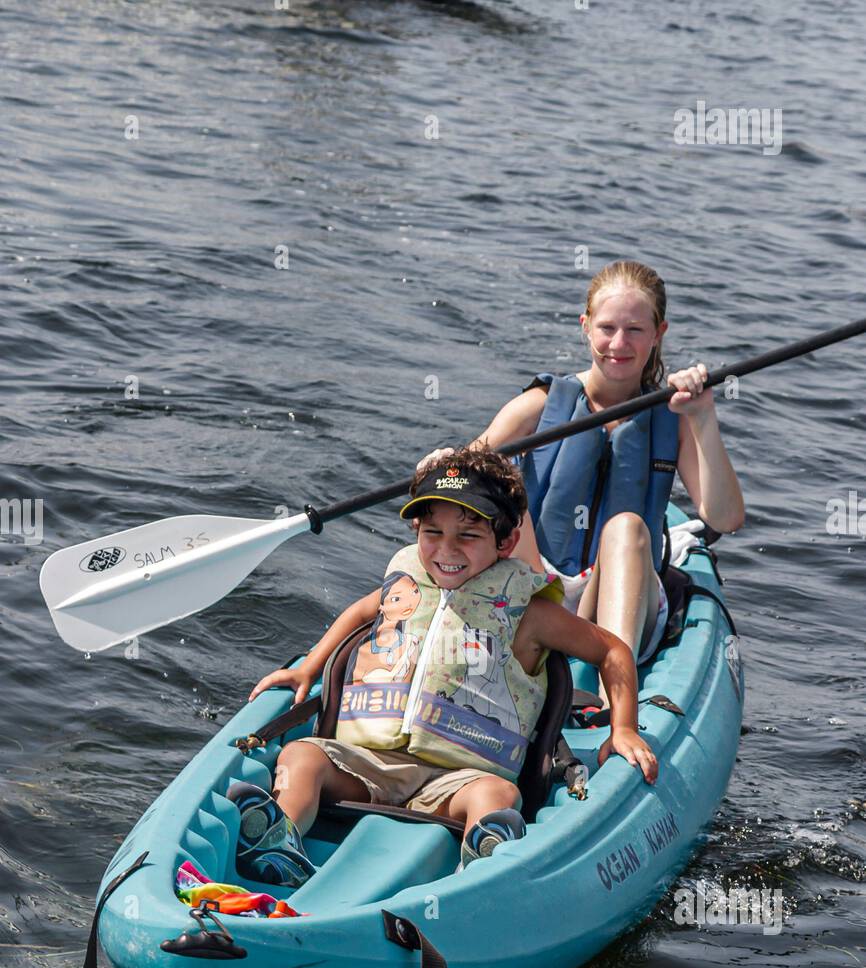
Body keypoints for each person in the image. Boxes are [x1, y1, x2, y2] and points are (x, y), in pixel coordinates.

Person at [242, 446, 658, 884]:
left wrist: (624, 728)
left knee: (498, 794)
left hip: (458, 779)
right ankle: (276, 838)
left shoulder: (529, 612)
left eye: (468, 536)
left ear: (507, 542)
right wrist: (309, 667)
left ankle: (484, 859)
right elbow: (360, 612)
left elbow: (612, 651)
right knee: (300, 757)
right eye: (432, 532)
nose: (446, 550)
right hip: (366, 763)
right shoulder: (407, 582)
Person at [424, 260, 745, 704]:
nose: (619, 343)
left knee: (628, 526)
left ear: (659, 333)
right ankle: (539, 661)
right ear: (585, 327)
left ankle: (614, 688)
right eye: (607, 327)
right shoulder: (540, 404)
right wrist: (445, 464)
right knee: (508, 504)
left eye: (635, 330)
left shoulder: (676, 417)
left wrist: (704, 415)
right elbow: (466, 472)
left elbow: (725, 518)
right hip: (539, 586)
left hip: (624, 592)